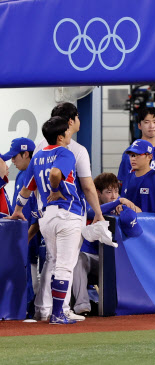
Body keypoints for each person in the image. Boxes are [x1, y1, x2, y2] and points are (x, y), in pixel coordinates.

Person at [10, 116, 105, 324]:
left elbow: (27, 189)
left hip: (47, 218)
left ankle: (48, 310)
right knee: (64, 265)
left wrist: (18, 209)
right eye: (68, 132)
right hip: (66, 213)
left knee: (53, 262)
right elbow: (55, 172)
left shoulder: (37, 157)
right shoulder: (65, 152)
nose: (71, 134)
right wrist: (55, 189)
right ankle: (57, 313)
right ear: (61, 136)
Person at [72, 173, 124, 317]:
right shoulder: (89, 206)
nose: (114, 196)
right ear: (98, 194)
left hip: (114, 261)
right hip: (92, 259)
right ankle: (82, 306)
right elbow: (90, 212)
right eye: (109, 192)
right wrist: (117, 202)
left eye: (116, 191)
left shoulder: (121, 208)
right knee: (78, 259)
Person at [2, 137, 41, 317]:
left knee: (33, 287)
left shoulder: (35, 175)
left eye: (14, 157)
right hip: (21, 244)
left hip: (34, 243)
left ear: (26, 154)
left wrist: (27, 239)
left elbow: (38, 216)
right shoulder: (20, 176)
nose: (12, 161)